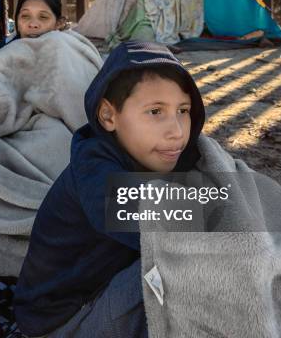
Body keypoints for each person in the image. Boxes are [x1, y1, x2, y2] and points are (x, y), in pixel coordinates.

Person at [13, 41, 205, 337]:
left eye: (183, 110)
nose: (177, 131)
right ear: (108, 116)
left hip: (102, 290)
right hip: (66, 323)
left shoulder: (147, 154)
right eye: (155, 112)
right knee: (195, 268)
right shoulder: (95, 169)